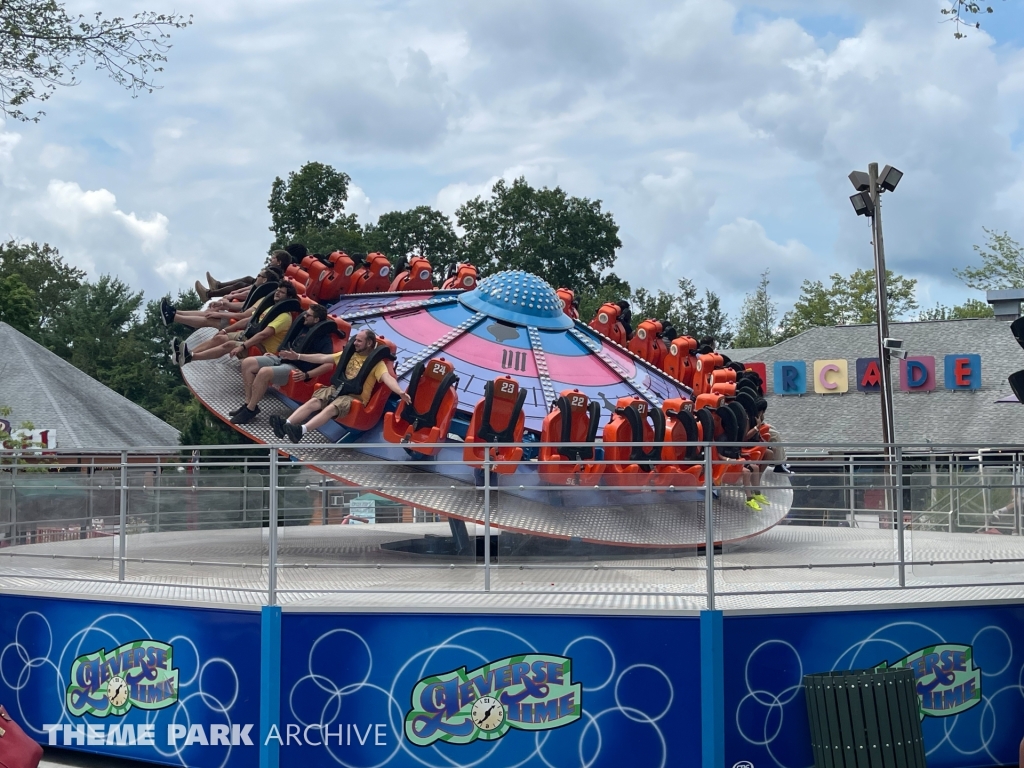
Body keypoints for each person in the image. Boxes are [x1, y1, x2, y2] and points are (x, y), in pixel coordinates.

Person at [269, 329, 411, 443]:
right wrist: (298, 356)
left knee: (332, 407)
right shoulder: (348, 354)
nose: (355, 343)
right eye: (355, 340)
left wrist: (400, 392)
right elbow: (323, 358)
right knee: (315, 400)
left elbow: (387, 378)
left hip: (355, 398)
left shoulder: (377, 364)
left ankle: (301, 431)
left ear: (369, 343)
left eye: (359, 341)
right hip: (338, 389)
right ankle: (286, 424)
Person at [230, 304, 331, 424]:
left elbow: (328, 365)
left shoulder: (325, 340)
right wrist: (275, 354)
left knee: (264, 372)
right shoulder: (303, 327)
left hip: (295, 368)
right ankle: (248, 403)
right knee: (247, 363)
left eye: (308, 315)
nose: (304, 316)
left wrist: (307, 374)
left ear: (316, 320)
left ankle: (250, 410)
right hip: (281, 359)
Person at [171, 282, 297, 365]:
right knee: (220, 337)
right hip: (250, 337)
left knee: (229, 344)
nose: (277, 293)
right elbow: (248, 321)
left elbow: (263, 334)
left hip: (263, 348)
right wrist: (226, 330)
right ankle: (187, 353)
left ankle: (191, 357)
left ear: (289, 297)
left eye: (281, 292)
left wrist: (242, 346)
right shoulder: (270, 308)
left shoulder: (284, 317)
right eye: (277, 290)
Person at [162, 266, 283, 330]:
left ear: (264, 280)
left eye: (259, 276)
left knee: (211, 318)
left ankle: (174, 317)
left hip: (243, 325)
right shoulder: (260, 293)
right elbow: (244, 306)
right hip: (241, 320)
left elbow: (244, 315)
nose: (256, 278)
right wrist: (224, 304)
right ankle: (174, 313)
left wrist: (221, 312)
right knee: (210, 313)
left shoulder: (265, 298)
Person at [200, 249, 296, 301]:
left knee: (241, 284)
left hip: (257, 293)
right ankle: (217, 286)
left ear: (279, 262)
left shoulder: (274, 272)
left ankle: (209, 294)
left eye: (273, 258)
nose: (271, 259)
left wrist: (236, 293)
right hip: (257, 289)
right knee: (248, 278)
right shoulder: (277, 272)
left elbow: (255, 286)